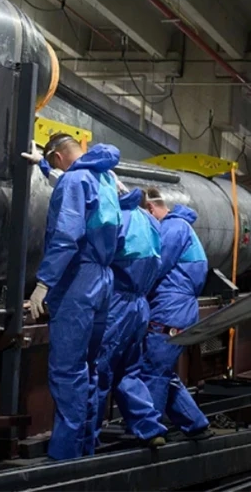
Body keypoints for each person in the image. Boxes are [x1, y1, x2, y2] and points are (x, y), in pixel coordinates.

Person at [22, 133, 122, 460]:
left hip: (78, 280)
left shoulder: (74, 180)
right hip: (103, 280)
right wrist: (43, 167)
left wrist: (43, 283)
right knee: (89, 369)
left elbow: (67, 235)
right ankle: (85, 449)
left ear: (58, 157)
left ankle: (65, 458)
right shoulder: (104, 178)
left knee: (67, 371)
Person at [92, 186, 167, 448]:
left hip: (117, 305)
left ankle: (87, 439)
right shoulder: (148, 220)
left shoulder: (115, 218)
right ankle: (150, 427)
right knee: (129, 371)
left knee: (99, 370)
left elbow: (97, 258)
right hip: (139, 305)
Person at [141, 187, 213, 439]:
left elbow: (154, 267)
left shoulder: (172, 228)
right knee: (162, 371)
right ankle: (195, 423)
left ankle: (150, 432)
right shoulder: (181, 227)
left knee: (153, 370)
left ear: (150, 209)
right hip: (176, 309)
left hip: (169, 310)